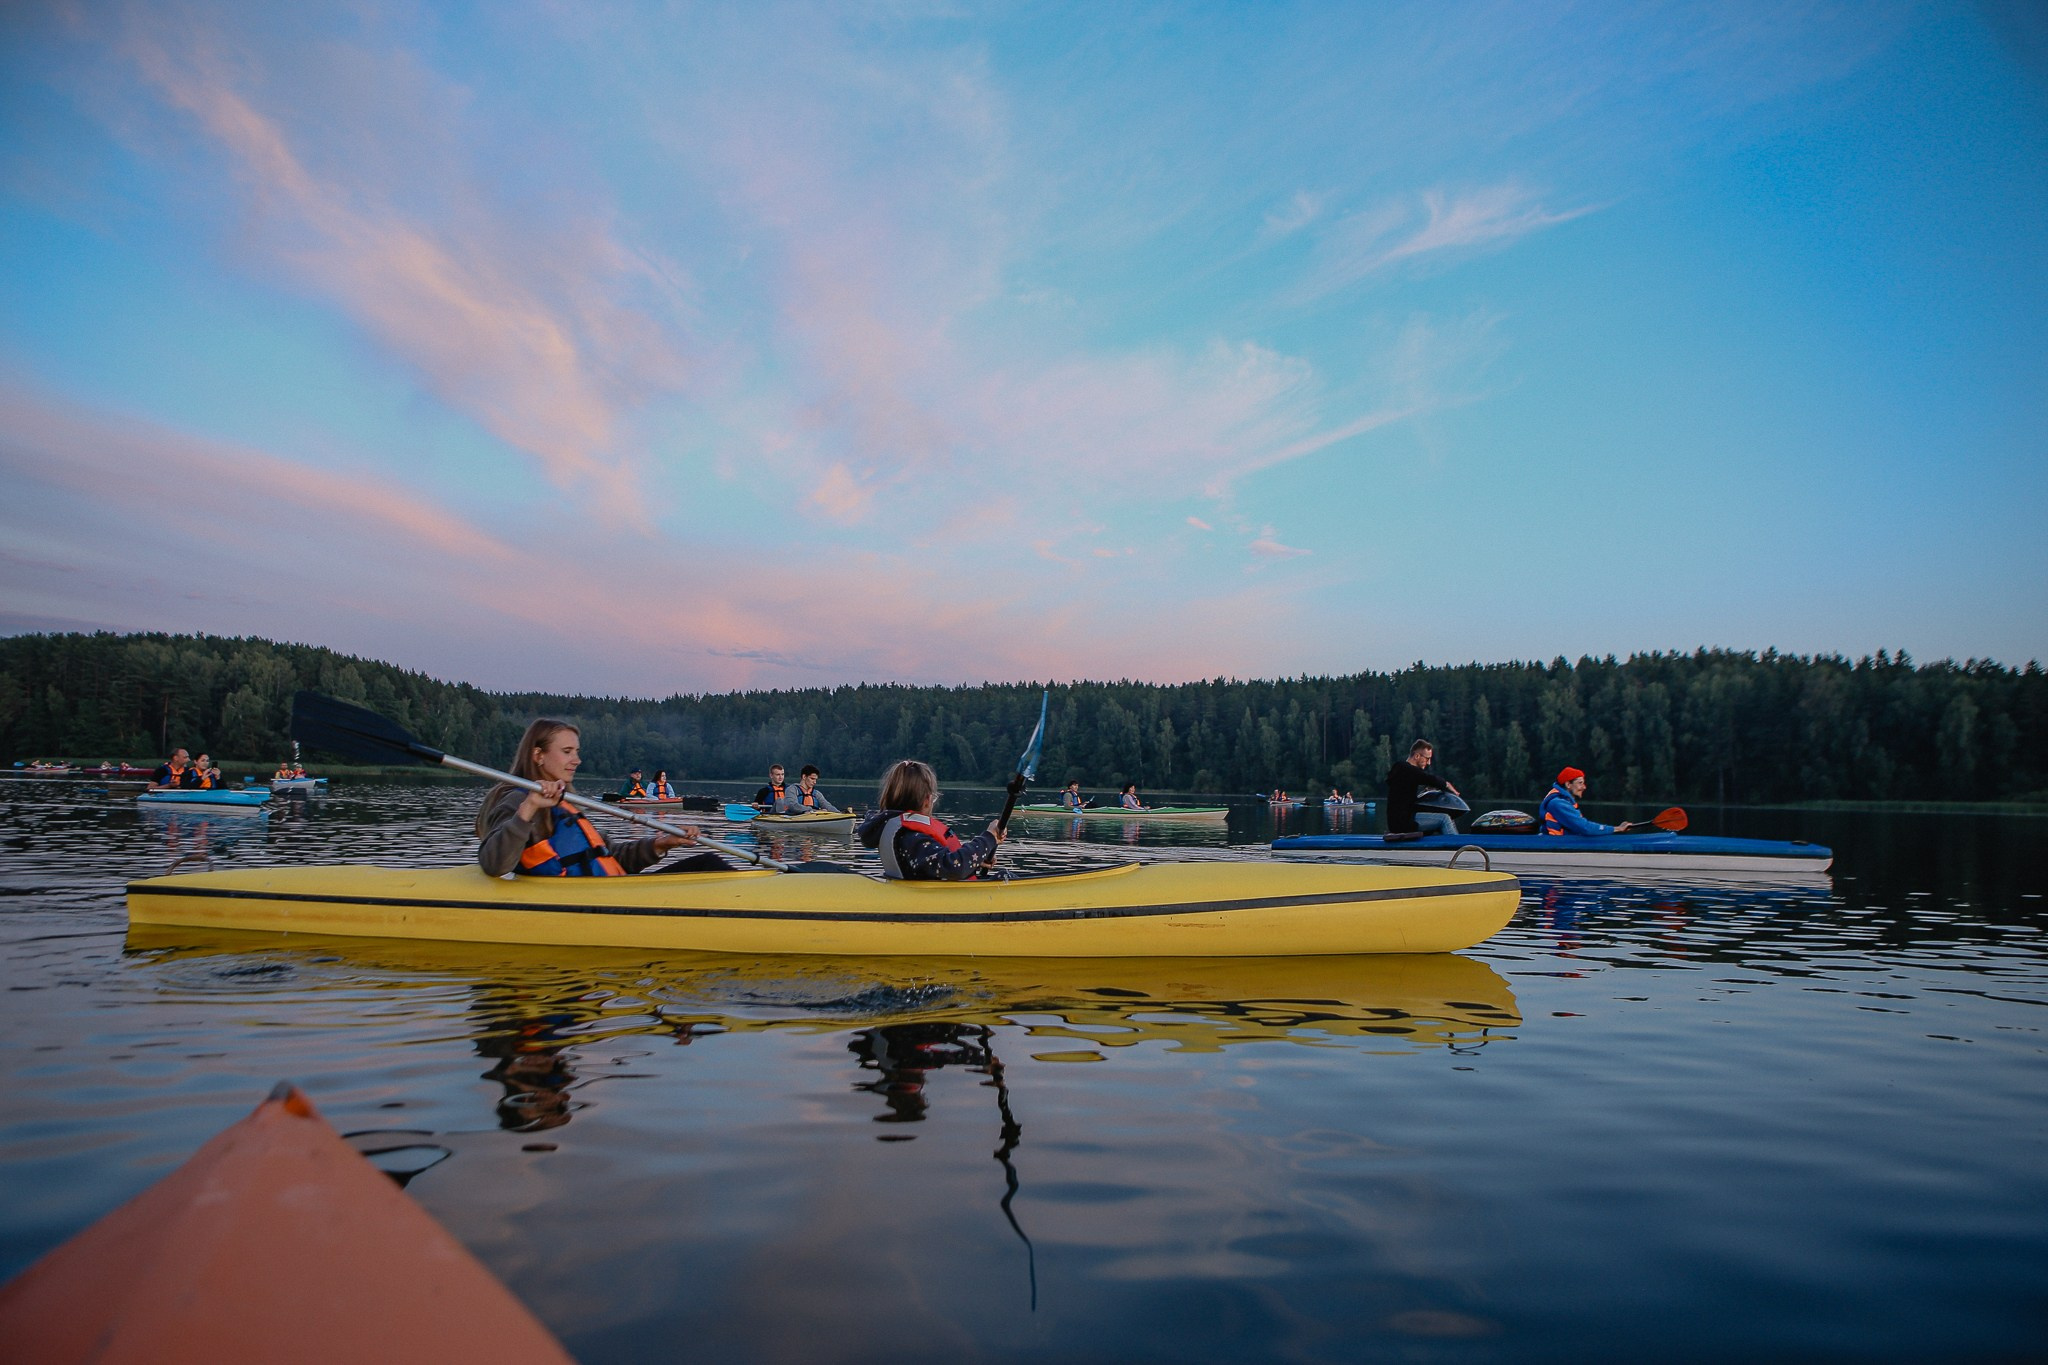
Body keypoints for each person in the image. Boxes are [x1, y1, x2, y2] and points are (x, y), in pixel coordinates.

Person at [476, 719, 727, 877]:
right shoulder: (514, 801)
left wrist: (661, 844)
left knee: (709, 863)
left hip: (608, 889)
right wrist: (529, 807)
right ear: (538, 755)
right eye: (567, 752)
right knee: (713, 866)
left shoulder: (567, 803)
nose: (577, 760)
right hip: (583, 901)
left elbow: (612, 855)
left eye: (577, 751)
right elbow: (494, 865)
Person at [857, 759, 1004, 881]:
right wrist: (988, 839)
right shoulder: (912, 838)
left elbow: (933, 866)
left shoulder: (902, 835)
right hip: (931, 904)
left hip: (916, 895)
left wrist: (977, 861)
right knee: (1005, 877)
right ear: (927, 800)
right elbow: (953, 867)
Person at [1386, 739, 1459, 836]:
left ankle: (1445, 847)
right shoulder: (1406, 769)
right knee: (1444, 819)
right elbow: (1429, 778)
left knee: (1443, 818)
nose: (1429, 763)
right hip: (1403, 822)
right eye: (1427, 758)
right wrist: (1446, 784)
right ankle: (1458, 848)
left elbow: (1406, 794)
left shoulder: (1403, 771)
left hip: (1400, 820)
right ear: (1417, 756)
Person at [1540, 767, 1638, 836]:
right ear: (1568, 784)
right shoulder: (1558, 803)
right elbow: (1585, 828)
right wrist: (1617, 829)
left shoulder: (1562, 801)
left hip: (1564, 842)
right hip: (1555, 844)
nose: (1584, 787)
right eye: (1580, 783)